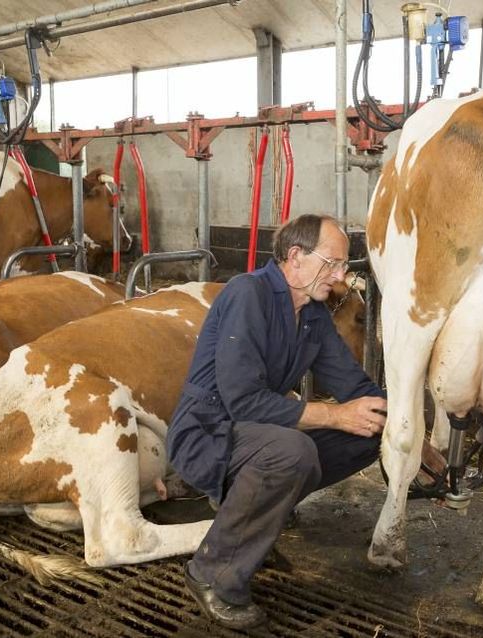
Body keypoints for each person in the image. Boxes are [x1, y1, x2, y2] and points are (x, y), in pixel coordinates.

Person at [166, 214, 391, 630]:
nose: (341, 277)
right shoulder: (248, 294)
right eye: (334, 263)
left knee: (372, 432)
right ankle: (212, 575)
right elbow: (242, 401)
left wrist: (407, 430)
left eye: (344, 266)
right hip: (206, 433)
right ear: (295, 257)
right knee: (293, 451)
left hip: (253, 433)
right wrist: (333, 415)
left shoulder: (313, 314)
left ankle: (255, 520)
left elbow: (355, 386)